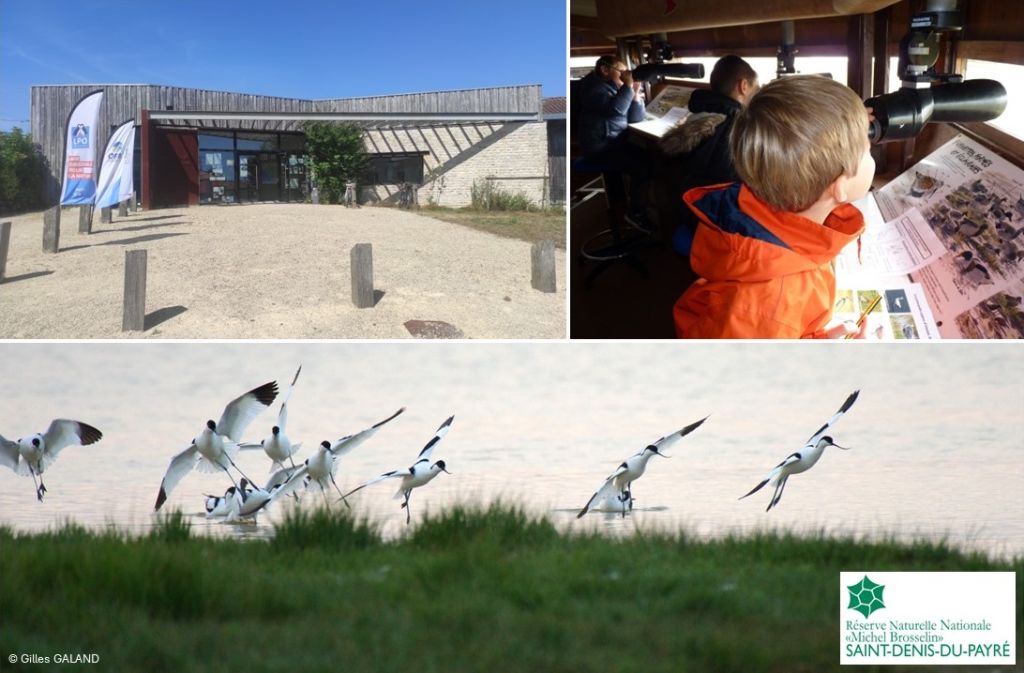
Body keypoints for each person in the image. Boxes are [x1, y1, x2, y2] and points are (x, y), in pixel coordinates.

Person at [673, 75, 874, 339]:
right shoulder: (770, 305)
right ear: (839, 186)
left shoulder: (778, 221)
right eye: (868, 149)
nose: (872, 154)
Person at [661, 55, 759, 253]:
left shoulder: (698, 117)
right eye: (756, 89)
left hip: (691, 215)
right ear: (743, 86)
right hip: (720, 227)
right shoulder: (736, 129)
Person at [577, 55, 651, 228]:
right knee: (642, 167)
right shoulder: (593, 88)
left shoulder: (612, 86)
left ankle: (629, 204)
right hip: (599, 147)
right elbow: (616, 110)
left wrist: (635, 96)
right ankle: (636, 214)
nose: (626, 75)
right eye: (622, 72)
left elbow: (635, 118)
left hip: (612, 142)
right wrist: (627, 86)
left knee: (647, 158)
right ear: (605, 70)